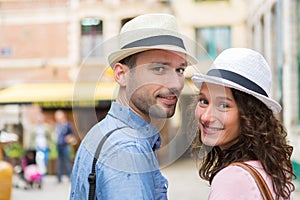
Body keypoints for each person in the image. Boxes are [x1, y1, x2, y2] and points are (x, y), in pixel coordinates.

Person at [70, 13, 197, 199]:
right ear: (121, 74)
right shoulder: (129, 150)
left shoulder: (101, 132)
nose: (176, 84)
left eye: (179, 69)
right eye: (159, 69)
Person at [191, 48, 295, 199]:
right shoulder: (273, 170)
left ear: (250, 116)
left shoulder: (233, 179)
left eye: (224, 105)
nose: (206, 117)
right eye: (203, 101)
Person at [54, 109, 74, 183]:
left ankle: (70, 176)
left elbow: (72, 134)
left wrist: (69, 138)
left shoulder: (67, 125)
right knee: (60, 162)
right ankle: (59, 178)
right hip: (59, 145)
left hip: (65, 145)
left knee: (67, 161)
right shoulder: (57, 125)